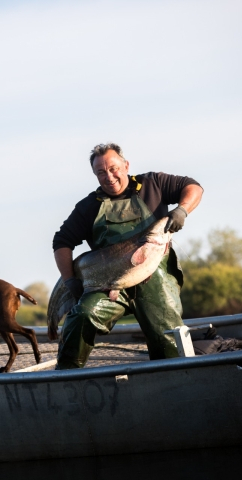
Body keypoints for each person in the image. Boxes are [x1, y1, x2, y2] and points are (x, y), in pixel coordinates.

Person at [52, 143, 203, 369]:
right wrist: (70, 280)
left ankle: (176, 378)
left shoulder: (154, 183)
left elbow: (193, 187)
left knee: (167, 336)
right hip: (109, 283)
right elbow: (61, 242)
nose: (109, 176)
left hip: (156, 278)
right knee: (81, 316)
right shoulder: (88, 206)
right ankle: (64, 379)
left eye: (113, 168)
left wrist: (182, 210)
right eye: (101, 172)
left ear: (126, 165)